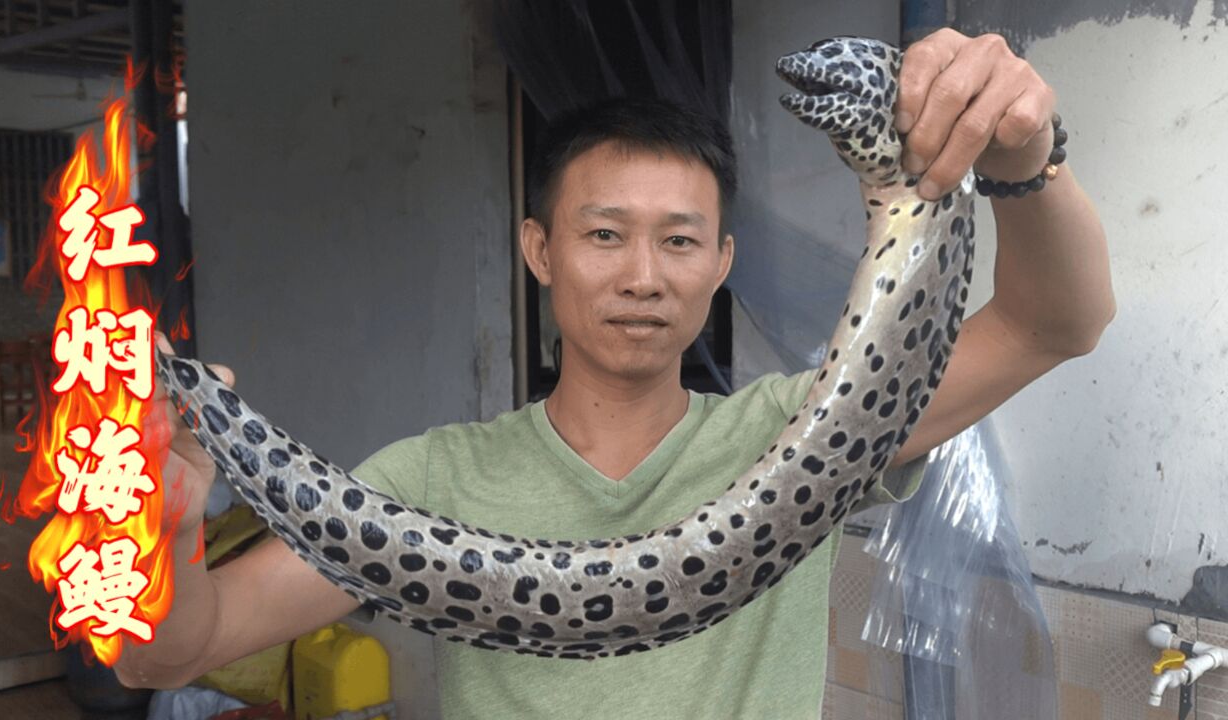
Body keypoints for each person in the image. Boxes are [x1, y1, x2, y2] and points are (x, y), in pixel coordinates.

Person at [118, 28, 1114, 719]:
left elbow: (1053, 320)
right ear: (539, 251)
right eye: (603, 235)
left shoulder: (793, 433)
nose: (642, 276)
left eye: (679, 242)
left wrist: (1024, 154)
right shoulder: (431, 483)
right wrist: (161, 532)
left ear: (719, 265)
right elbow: (172, 652)